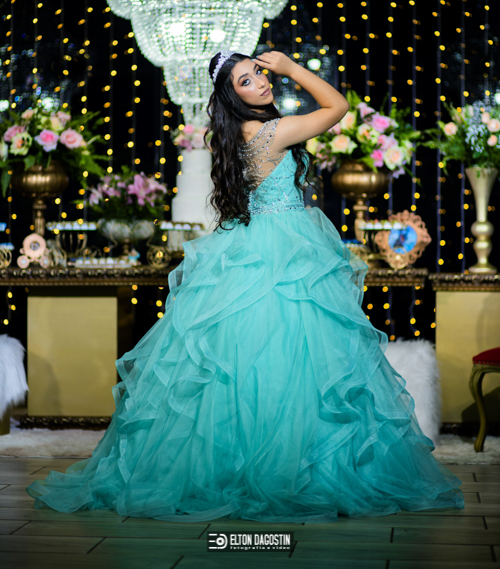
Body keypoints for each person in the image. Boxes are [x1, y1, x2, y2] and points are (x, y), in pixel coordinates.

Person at [26, 50, 464, 523]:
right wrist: (291, 69)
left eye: (258, 72)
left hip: (253, 244)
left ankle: (247, 463)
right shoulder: (269, 132)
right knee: (291, 360)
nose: (260, 80)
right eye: (246, 80)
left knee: (250, 362)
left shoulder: (237, 133)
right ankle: (293, 470)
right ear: (232, 96)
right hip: (283, 250)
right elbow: (338, 107)